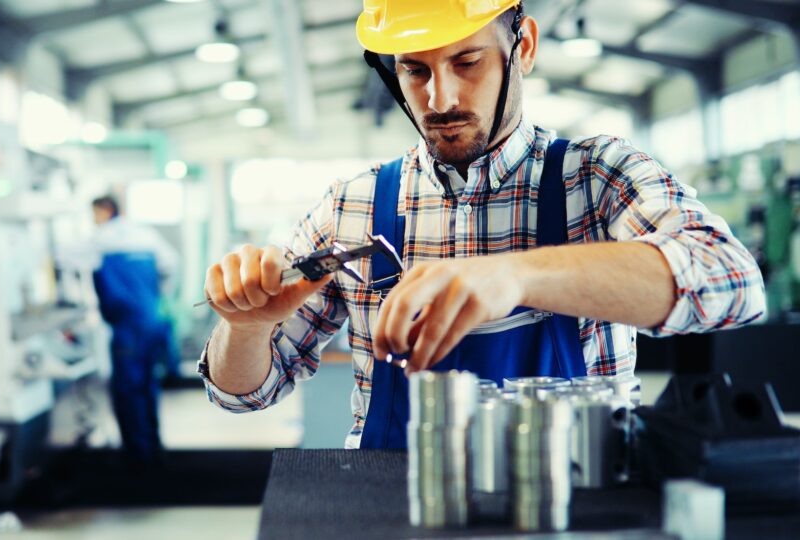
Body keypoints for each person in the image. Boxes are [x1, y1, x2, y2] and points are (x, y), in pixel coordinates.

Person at [197, 0, 766, 449]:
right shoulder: (353, 206)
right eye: (414, 70)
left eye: (466, 62)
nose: (439, 98)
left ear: (524, 47)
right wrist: (245, 329)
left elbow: (732, 283)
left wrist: (516, 277)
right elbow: (243, 397)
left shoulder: (596, 177)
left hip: (577, 503)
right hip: (400, 505)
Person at [83, 195, 179, 463]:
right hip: (151, 319)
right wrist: (158, 294)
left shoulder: (99, 240)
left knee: (127, 388)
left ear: (105, 210)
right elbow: (171, 264)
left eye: (94, 213)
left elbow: (66, 259)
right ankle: (153, 446)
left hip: (126, 325)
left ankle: (137, 456)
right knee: (148, 384)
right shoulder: (146, 236)